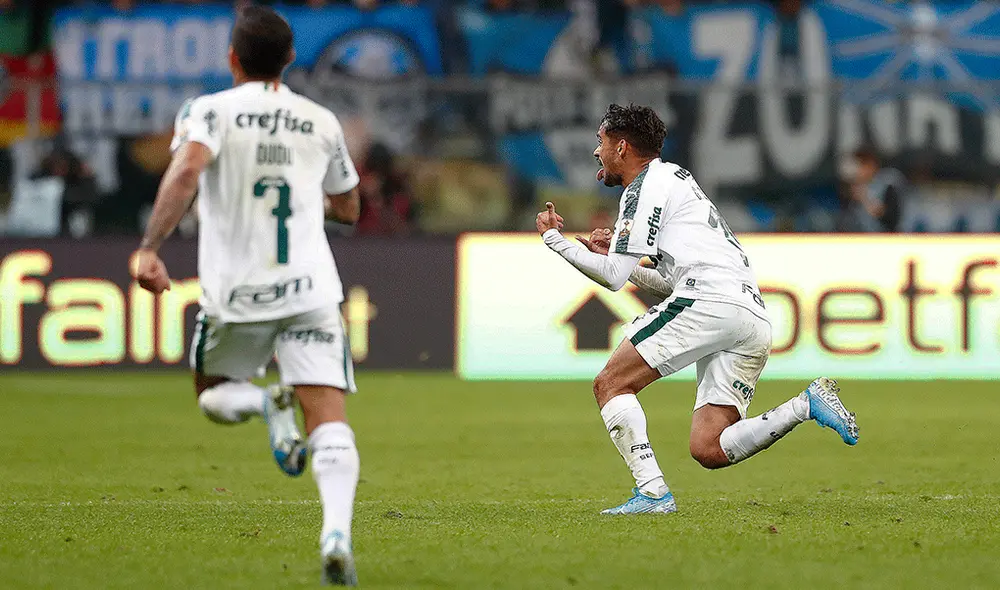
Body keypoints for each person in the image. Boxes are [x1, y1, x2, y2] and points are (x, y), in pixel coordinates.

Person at [129, 6, 362, 584]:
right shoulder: (320, 120)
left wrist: (150, 246)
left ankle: (264, 403)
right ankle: (336, 533)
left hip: (237, 295)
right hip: (310, 288)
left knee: (213, 396)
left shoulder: (207, 111)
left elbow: (185, 173)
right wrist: (304, 191)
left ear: (231, 58)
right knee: (328, 417)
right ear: (289, 59)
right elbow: (351, 209)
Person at [535, 103, 859, 515]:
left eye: (600, 143)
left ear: (621, 146)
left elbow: (612, 277)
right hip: (749, 313)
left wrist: (555, 241)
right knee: (709, 448)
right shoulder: (676, 180)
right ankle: (805, 404)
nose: (596, 153)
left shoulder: (644, 187)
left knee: (611, 384)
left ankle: (652, 492)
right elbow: (666, 281)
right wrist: (630, 265)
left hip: (708, 300)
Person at [839, 146, 905, 232]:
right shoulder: (855, 186)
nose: (857, 170)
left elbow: (890, 218)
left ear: (871, 165)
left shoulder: (888, 182)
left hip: (888, 239)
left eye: (860, 165)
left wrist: (864, 198)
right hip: (861, 239)